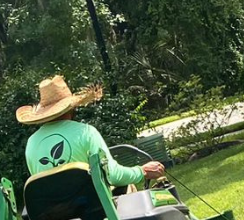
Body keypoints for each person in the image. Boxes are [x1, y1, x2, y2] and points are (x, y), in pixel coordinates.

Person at [16, 75, 165, 188]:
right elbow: (112, 175)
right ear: (72, 107)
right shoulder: (86, 132)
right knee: (129, 188)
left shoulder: (31, 144)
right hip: (94, 215)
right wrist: (142, 171)